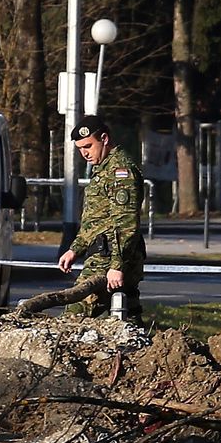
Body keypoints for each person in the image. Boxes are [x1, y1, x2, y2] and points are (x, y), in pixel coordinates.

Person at [57, 119, 145, 324]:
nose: (84, 153)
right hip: (109, 254)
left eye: (88, 146)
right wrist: (75, 249)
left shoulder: (120, 171)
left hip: (109, 258)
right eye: (80, 149)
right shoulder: (103, 168)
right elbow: (96, 219)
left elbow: (126, 222)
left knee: (74, 315)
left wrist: (117, 266)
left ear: (104, 139)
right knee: (127, 319)